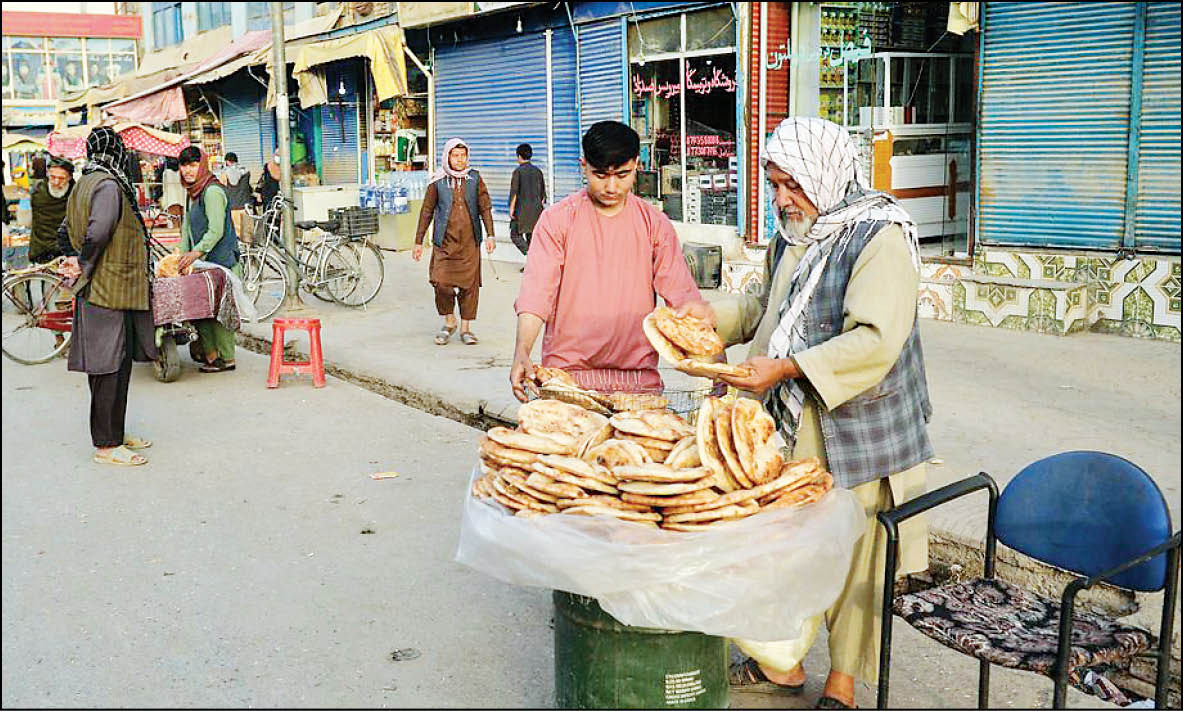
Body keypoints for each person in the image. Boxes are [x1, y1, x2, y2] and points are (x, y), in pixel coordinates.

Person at [709, 118, 932, 709]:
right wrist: (710, 321)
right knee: (787, 542)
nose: (781, 199)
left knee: (858, 554)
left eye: (791, 185)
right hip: (798, 419)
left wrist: (783, 370)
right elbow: (768, 306)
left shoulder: (878, 236)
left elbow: (876, 341)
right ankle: (781, 661)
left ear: (825, 175)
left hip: (864, 423)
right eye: (774, 184)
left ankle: (843, 682)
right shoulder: (795, 230)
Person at [509, 121, 713, 399]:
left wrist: (717, 365)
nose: (612, 186)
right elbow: (536, 294)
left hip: (639, 383)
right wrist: (522, 351)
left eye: (622, 175)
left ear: (637, 165)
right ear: (584, 166)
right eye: (601, 175)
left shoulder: (655, 224)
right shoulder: (557, 220)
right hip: (566, 379)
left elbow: (684, 298)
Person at [57, 127, 158, 467]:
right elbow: (98, 230)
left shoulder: (84, 182)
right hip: (108, 287)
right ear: (115, 153)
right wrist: (83, 262)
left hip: (109, 287)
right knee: (109, 366)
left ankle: (115, 431)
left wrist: (75, 259)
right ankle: (106, 444)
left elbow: (66, 230)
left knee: (116, 364)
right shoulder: (109, 185)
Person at [412, 138, 497, 346]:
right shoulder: (437, 182)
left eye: (463, 155)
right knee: (441, 282)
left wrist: (490, 234)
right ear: (447, 157)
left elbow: (485, 207)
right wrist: (418, 241)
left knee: (470, 286)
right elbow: (427, 211)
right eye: (455, 155)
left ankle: (466, 328)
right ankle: (450, 320)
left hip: (469, 244)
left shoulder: (474, 179)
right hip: (445, 244)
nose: (460, 160)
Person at [177, 145, 241, 373]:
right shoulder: (192, 193)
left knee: (220, 313)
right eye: (184, 165)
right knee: (202, 309)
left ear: (202, 165)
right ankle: (211, 354)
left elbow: (216, 231)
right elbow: (187, 228)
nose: (187, 170)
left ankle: (226, 358)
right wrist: (180, 256)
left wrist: (195, 252)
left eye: (193, 164)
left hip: (221, 261)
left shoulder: (212, 191)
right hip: (203, 263)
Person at [28, 157, 74, 264]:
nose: (56, 182)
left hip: (67, 251)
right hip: (40, 249)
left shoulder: (75, 194)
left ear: (70, 177)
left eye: (61, 178)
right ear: (47, 174)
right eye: (52, 177)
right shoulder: (37, 192)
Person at [508, 142, 546, 271]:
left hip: (522, 210)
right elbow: (543, 196)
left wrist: (511, 209)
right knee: (532, 237)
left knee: (515, 234)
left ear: (519, 156)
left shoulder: (518, 172)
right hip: (537, 211)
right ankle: (533, 264)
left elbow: (514, 193)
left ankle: (531, 257)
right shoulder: (538, 171)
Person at [216, 152, 252, 237]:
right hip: (246, 207)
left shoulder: (224, 174)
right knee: (248, 235)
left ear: (227, 162)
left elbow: (221, 190)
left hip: (233, 207)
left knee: (236, 235)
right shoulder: (246, 172)